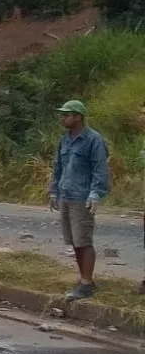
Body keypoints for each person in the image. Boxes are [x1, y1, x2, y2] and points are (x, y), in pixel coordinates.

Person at [49, 100, 110, 300]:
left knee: (83, 240)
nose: (63, 118)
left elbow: (99, 169)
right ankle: (83, 278)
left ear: (78, 116)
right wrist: (53, 192)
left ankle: (87, 283)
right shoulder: (64, 140)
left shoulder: (94, 140)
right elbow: (58, 167)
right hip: (66, 194)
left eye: (67, 115)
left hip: (82, 197)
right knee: (74, 240)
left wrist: (95, 194)